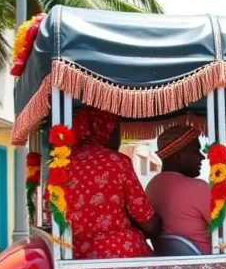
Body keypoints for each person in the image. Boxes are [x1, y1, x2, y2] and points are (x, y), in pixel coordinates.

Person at [63, 107, 161, 259]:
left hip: (73, 253)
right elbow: (145, 217)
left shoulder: (61, 164)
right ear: (107, 130)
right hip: (118, 252)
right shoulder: (117, 161)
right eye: (117, 131)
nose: (120, 138)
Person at [146, 124, 226, 253]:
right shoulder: (197, 188)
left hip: (172, 267)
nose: (201, 157)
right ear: (178, 154)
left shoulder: (152, 187)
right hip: (208, 268)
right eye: (196, 151)